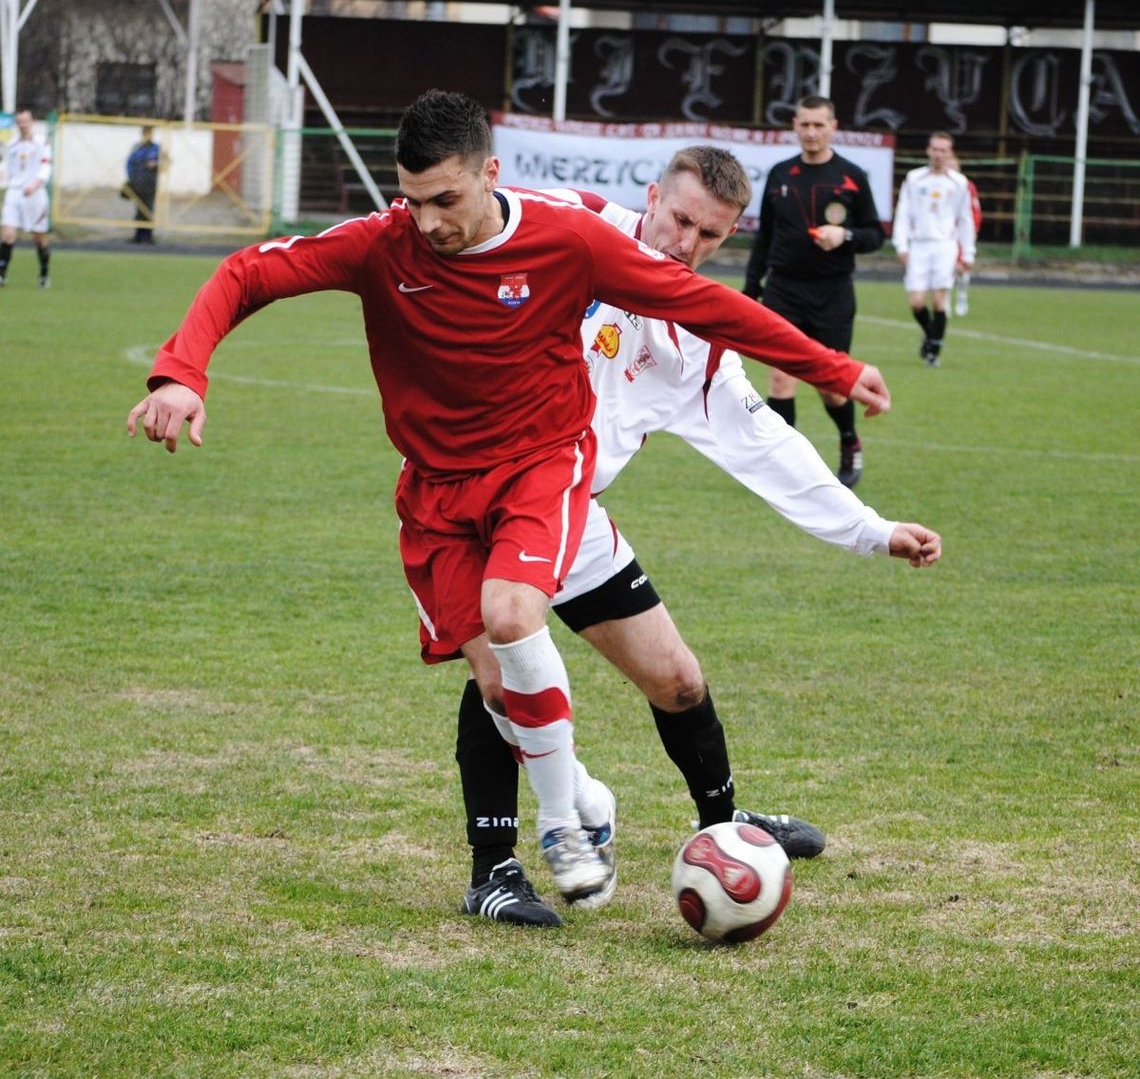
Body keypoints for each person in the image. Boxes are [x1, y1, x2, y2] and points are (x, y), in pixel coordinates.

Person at [126, 89, 892, 916]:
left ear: (489, 174)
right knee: (497, 685)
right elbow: (250, 272)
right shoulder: (386, 246)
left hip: (543, 474)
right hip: (438, 496)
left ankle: (590, 823)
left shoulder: (567, 242)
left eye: (445, 200)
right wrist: (181, 371)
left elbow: (712, 309)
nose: (426, 221)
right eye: (413, 199)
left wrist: (833, 370)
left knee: (568, 638)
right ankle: (525, 845)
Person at [456, 147, 942, 927]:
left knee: (678, 681)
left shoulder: (692, 337)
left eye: (710, 237)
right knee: (498, 671)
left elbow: (766, 446)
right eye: (680, 220)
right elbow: (474, 206)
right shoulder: (573, 227)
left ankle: (723, 828)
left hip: (574, 513)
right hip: (483, 498)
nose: (686, 245)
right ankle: (495, 869)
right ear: (650, 197)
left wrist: (870, 531)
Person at [742, 96, 884, 490]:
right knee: (780, 380)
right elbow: (764, 237)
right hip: (783, 289)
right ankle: (782, 467)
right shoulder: (779, 174)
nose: (811, 132)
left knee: (831, 386)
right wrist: (752, 288)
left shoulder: (852, 176)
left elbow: (876, 235)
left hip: (832, 293)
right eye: (805, 124)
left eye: (819, 125)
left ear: (833, 126)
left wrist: (846, 235)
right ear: (795, 125)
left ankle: (848, 441)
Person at [892, 131, 977, 366]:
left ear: (950, 153)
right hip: (919, 245)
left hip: (945, 246)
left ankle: (933, 352)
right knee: (916, 302)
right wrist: (901, 244)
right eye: (935, 149)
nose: (938, 154)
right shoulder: (914, 179)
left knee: (940, 301)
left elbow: (965, 219)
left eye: (943, 150)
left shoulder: (959, 183)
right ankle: (931, 335)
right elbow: (903, 214)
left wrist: (967, 252)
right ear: (928, 150)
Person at [0, 108, 53, 288]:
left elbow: (46, 167)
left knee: (38, 237)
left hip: (35, 193)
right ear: (16, 123)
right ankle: (2, 274)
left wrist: (35, 184)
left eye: (26, 121)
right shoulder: (11, 144)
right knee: (7, 234)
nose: (23, 125)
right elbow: (6, 167)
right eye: (19, 121)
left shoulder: (42, 143)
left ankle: (44, 274)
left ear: (32, 122)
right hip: (15, 192)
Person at [948, 153, 982, 317]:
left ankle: (962, 295)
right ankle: (944, 301)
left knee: (962, 267)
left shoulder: (967, 186)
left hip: (961, 234)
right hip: (944, 234)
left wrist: (972, 231)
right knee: (945, 268)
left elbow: (974, 211)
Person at [125, 126, 161, 244]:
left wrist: (156, 164)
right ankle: (138, 235)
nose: (148, 136)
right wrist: (131, 179)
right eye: (146, 134)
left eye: (149, 134)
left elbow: (166, 162)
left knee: (148, 209)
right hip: (137, 183)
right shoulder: (137, 148)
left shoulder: (156, 148)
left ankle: (148, 235)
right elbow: (129, 164)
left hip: (150, 183)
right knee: (139, 209)